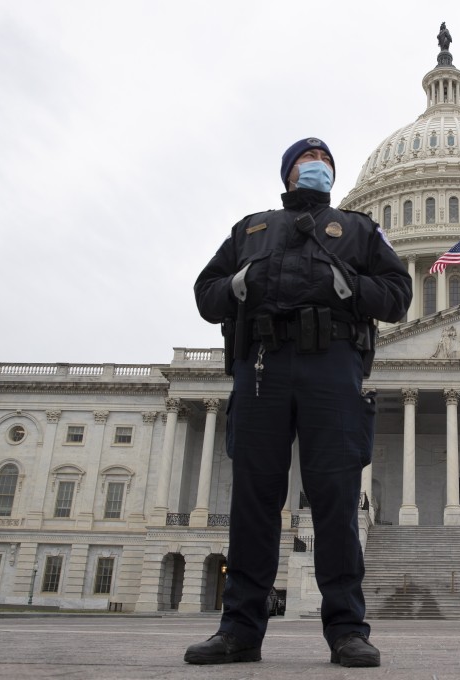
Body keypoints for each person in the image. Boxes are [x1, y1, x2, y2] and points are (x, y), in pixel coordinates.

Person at [187, 137, 412, 667]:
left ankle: (347, 630)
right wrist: (240, 283)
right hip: (261, 362)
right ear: (289, 173)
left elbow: (399, 296)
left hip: (331, 365)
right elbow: (206, 292)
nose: (318, 168)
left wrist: (349, 285)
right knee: (254, 502)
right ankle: (239, 629)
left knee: (335, 500)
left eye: (326, 163)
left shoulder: (357, 229)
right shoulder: (251, 229)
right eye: (309, 162)